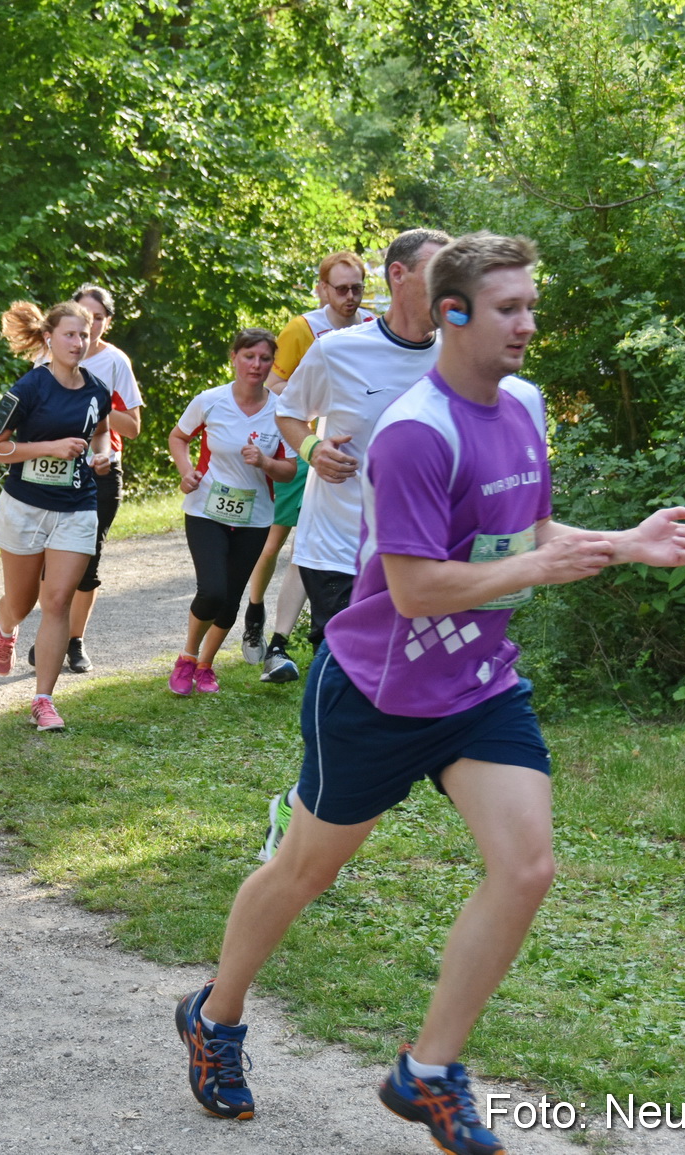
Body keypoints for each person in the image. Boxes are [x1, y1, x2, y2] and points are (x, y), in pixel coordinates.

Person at [175, 233, 685, 1153]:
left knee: (527, 866)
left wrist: (623, 542)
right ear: (452, 312)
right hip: (377, 691)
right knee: (306, 869)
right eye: (510, 309)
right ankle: (215, 1015)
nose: (528, 325)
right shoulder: (417, 431)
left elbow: (532, 529)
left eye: (531, 306)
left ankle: (428, 1071)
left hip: (478, 684)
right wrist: (539, 566)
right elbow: (417, 588)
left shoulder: (525, 404)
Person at [257, 227, 451, 860]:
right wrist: (313, 449)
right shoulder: (339, 350)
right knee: (353, 689)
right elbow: (288, 411)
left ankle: (307, 803)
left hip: (422, 554)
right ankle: (306, 813)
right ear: (398, 276)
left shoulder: (458, 354)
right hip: (341, 547)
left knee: (395, 690)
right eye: (438, 272)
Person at [242, 250, 376, 682]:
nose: (350, 296)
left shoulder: (373, 325)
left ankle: (281, 644)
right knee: (278, 541)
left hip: (346, 453)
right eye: (341, 288)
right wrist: (320, 411)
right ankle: (255, 612)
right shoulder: (303, 329)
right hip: (301, 446)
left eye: (357, 288)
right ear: (322, 289)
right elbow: (276, 384)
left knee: (311, 545)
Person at [0, 300, 112, 730]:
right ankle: (6, 625)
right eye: (69, 335)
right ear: (49, 338)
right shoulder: (28, 388)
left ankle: (43, 699)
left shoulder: (98, 390)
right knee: (21, 603)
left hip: (77, 506)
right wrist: (50, 448)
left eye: (84, 335)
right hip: (25, 506)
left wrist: (103, 456)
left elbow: (101, 434)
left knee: (57, 601)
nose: (78, 342)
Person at [166, 329, 296, 696]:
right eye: (249, 356)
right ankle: (187, 657)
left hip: (255, 517)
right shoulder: (210, 401)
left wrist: (266, 463)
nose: (256, 365)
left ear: (272, 363)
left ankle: (206, 665)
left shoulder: (281, 411)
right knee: (212, 591)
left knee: (230, 600)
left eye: (265, 359)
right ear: (234, 357)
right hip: (206, 510)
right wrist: (186, 471)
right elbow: (178, 437)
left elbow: (289, 471)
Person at [24, 284, 144, 674]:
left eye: (96, 319)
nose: (87, 329)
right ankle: (49, 633)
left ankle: (74, 640)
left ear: (106, 322)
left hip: (99, 471)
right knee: (49, 559)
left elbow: (134, 427)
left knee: (87, 561)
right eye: (81, 318)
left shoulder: (115, 362)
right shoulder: (46, 356)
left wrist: (95, 404)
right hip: (52, 470)